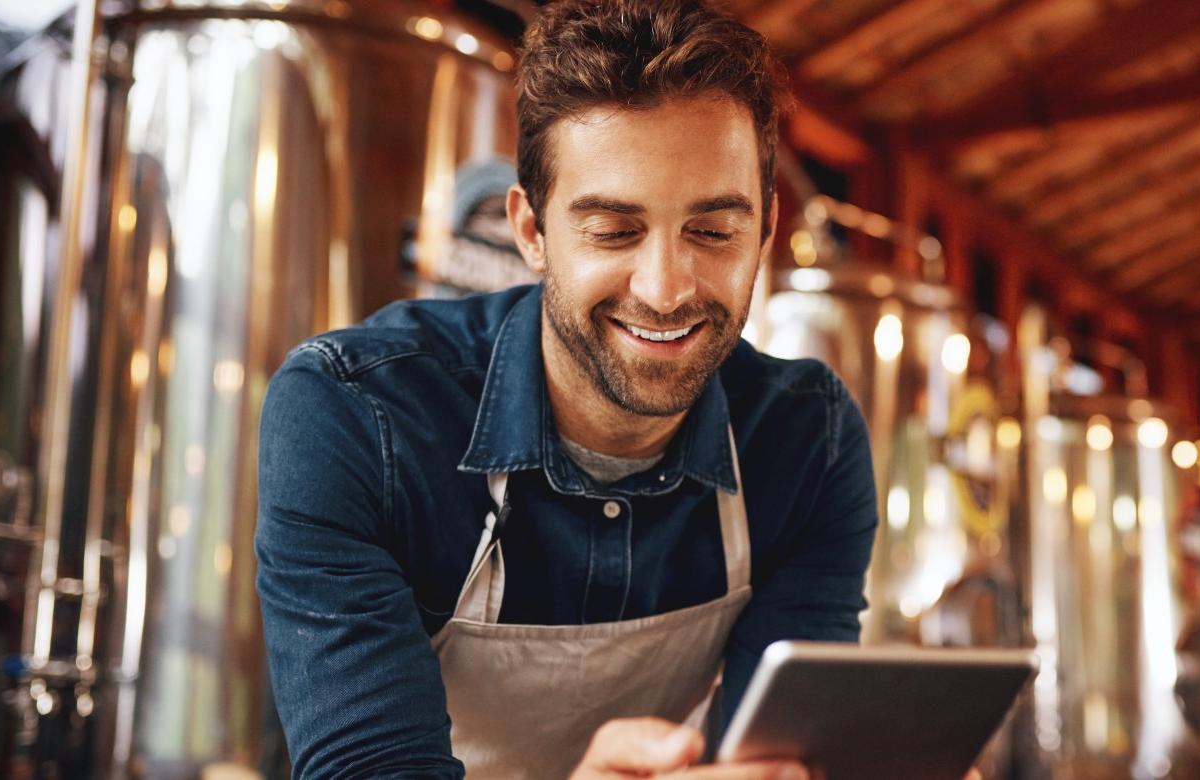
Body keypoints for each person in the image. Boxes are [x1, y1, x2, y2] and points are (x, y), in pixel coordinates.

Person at [253, 2, 877, 777]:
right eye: (613, 231)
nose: (665, 288)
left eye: (713, 231)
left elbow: (777, 757)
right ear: (532, 231)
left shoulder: (806, 442)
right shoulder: (356, 416)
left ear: (767, 228)